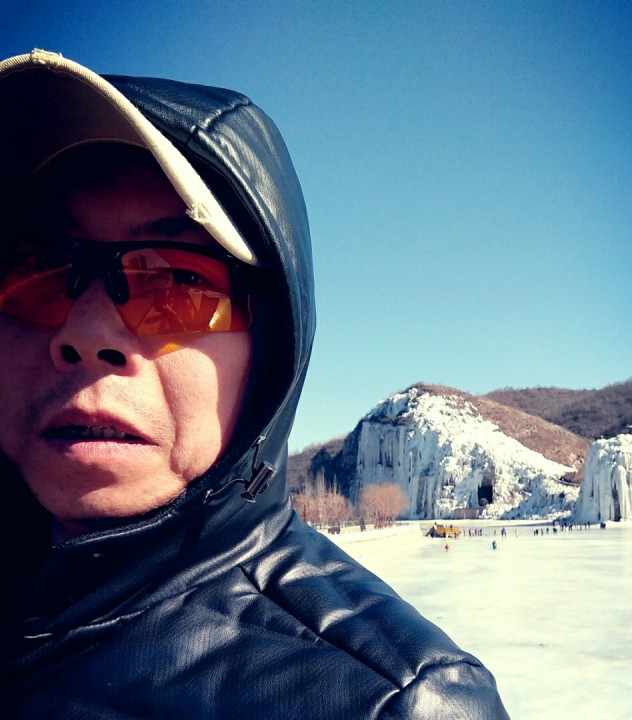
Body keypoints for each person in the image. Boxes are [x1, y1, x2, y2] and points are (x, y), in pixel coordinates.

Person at [0, 50, 509, 719]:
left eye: (178, 281)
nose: (87, 329)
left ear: (273, 349)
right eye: (37, 264)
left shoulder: (392, 704)